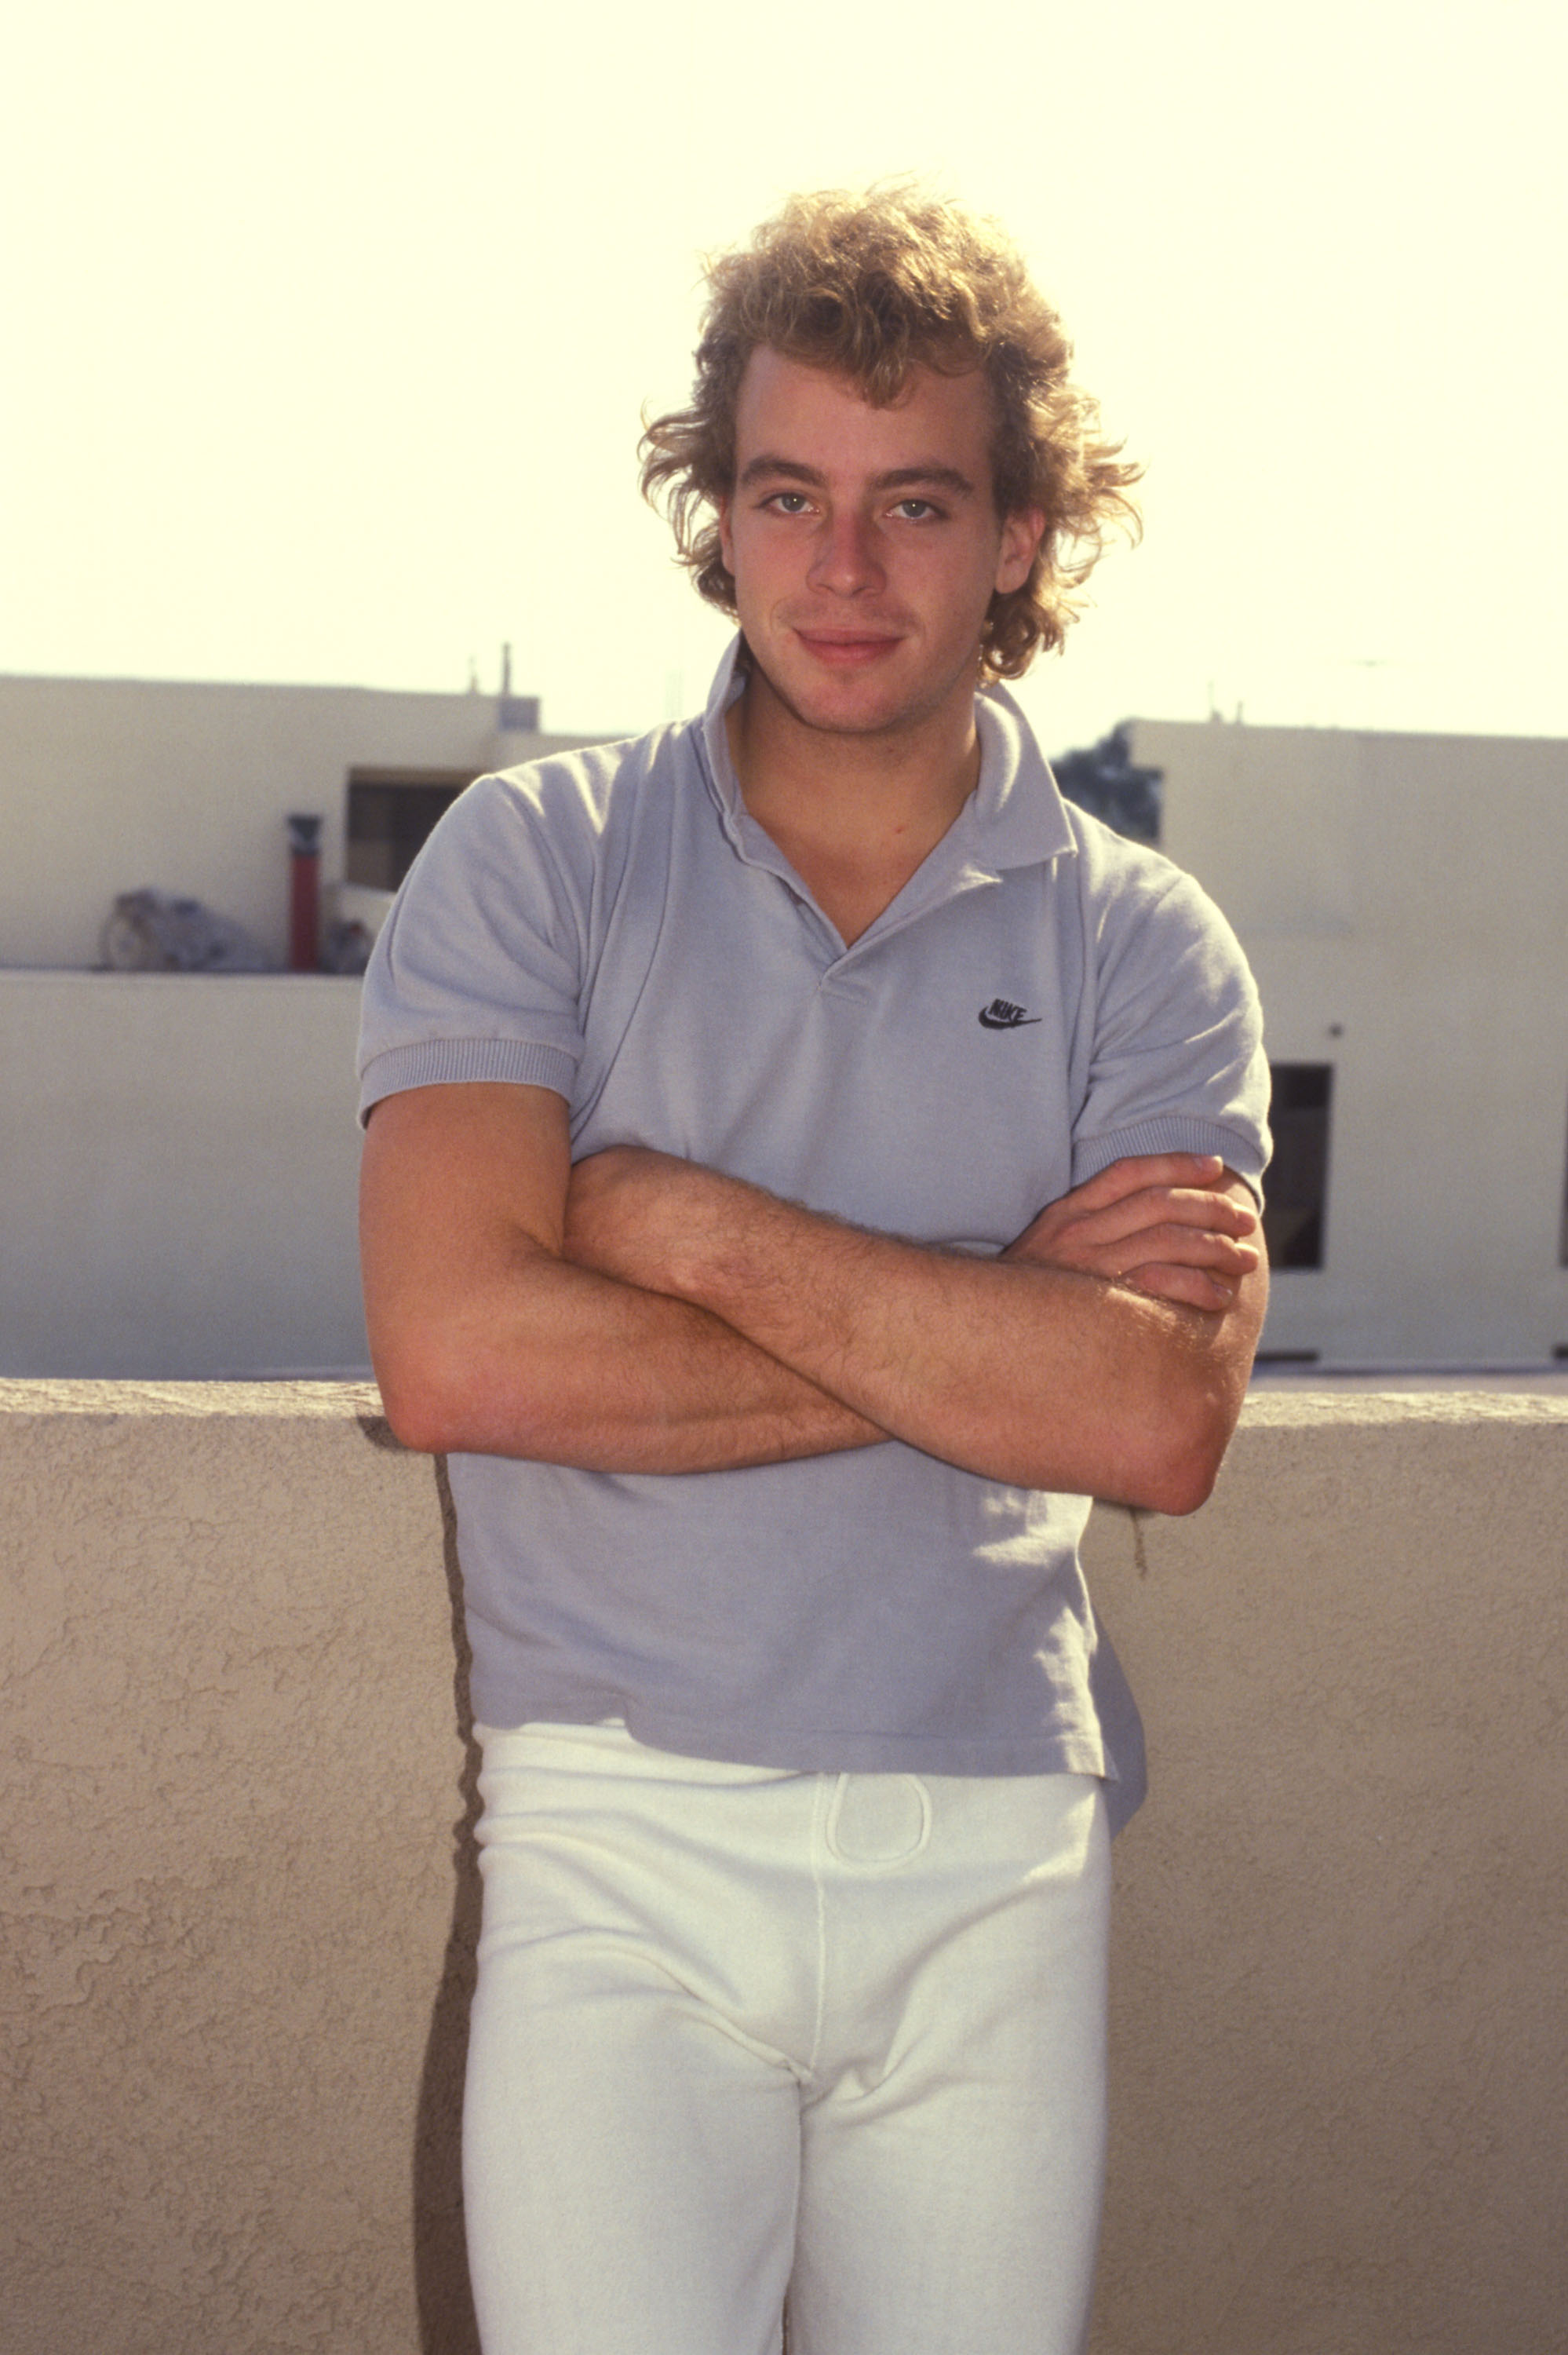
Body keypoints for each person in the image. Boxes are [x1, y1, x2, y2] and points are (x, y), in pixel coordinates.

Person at [357, 185, 1270, 2355]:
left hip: (1001, 1855)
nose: (843, 573)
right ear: (722, 514)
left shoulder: (1146, 942)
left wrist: (673, 1225)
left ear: (1025, 534)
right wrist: (994, 1319)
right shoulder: (538, 864)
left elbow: (1151, 1419)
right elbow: (462, 1351)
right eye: (791, 497)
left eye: (917, 504)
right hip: (615, 1835)